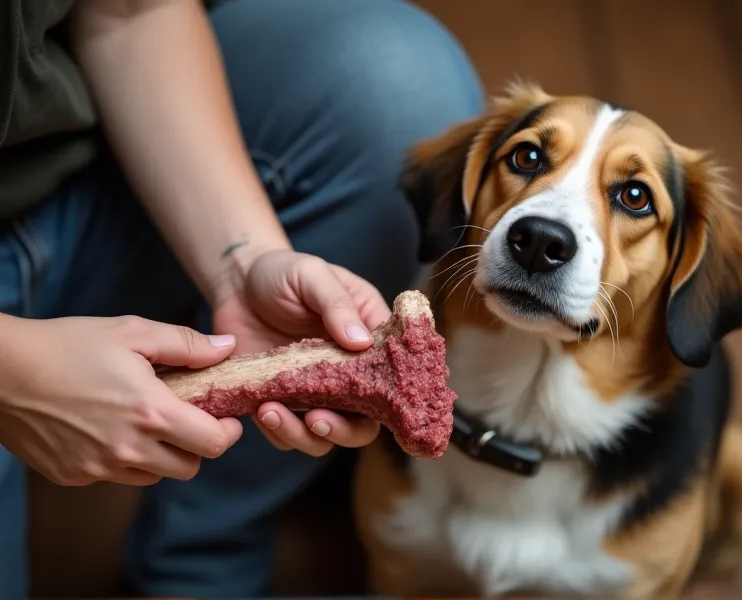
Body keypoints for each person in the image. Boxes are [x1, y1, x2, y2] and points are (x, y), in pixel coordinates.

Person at [0, 0, 483, 596]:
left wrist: (243, 264)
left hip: (65, 187)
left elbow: (129, 11)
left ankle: (198, 559)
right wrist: (10, 373)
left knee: (398, 81)